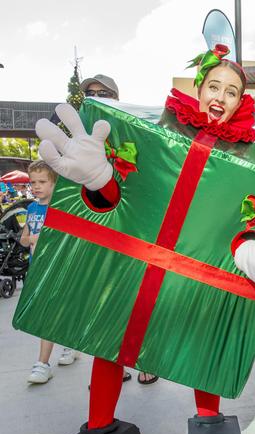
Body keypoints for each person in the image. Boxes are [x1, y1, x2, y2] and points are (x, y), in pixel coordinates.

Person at [31, 43, 255, 434]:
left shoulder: (254, 162)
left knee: (205, 349)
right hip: (133, 271)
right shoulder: (153, 133)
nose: (220, 96)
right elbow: (120, 196)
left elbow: (254, 217)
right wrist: (101, 182)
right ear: (198, 90)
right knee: (111, 344)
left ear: (242, 101)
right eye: (213, 86)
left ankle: (209, 425)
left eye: (232, 91)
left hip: (197, 281)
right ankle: (99, 427)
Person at [77, 73, 156, 385]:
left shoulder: (130, 131)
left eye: (103, 92)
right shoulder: (80, 135)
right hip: (97, 230)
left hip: (132, 230)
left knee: (137, 300)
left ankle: (144, 360)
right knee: (104, 301)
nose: (96, 96)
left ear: (116, 97)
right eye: (91, 92)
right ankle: (112, 363)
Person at [21, 161, 81, 383]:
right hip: (39, 269)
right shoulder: (31, 209)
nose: (36, 187)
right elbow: (24, 237)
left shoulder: (60, 207)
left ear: (54, 183)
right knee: (50, 312)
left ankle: (48, 360)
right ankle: (55, 355)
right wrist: (29, 239)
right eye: (33, 182)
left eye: (42, 182)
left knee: (57, 311)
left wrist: (44, 238)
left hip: (59, 269)